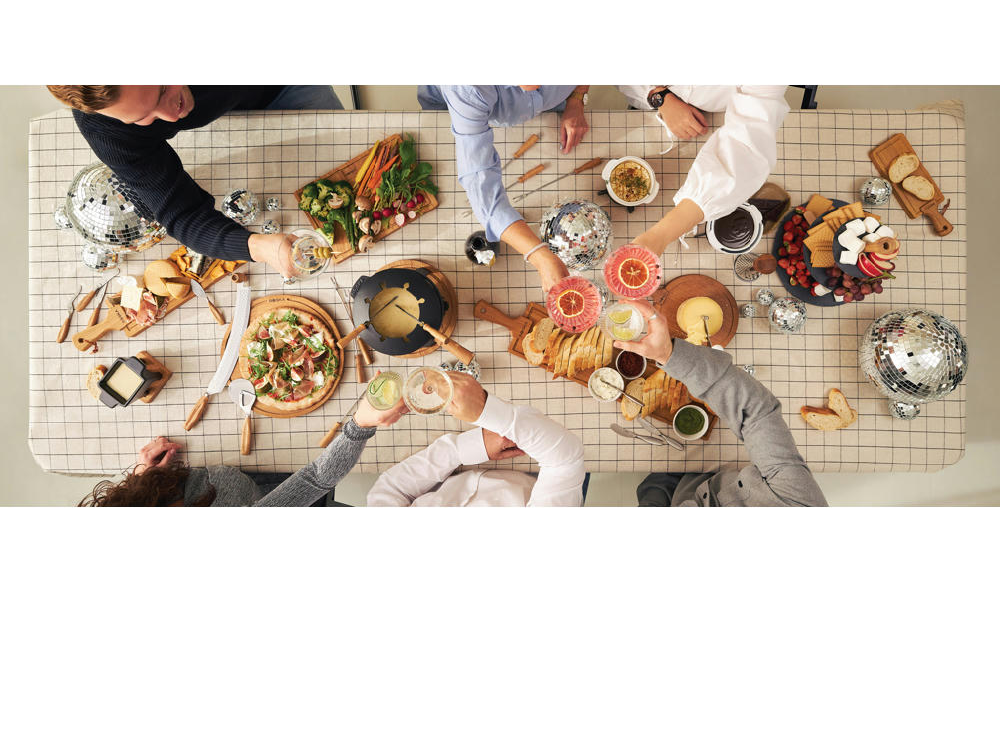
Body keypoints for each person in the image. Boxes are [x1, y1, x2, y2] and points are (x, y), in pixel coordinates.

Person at [47, 85, 344, 278]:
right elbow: (181, 214)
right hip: (232, 112)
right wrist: (259, 247)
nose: (170, 115)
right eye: (141, 118)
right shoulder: (102, 127)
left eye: (163, 89)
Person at [613, 297, 827, 507]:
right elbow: (757, 413)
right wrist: (669, 354)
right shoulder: (800, 503)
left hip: (671, 498)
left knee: (653, 489)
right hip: (707, 479)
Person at [79, 392, 407, 507]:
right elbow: (316, 478)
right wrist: (360, 424)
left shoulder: (138, 501)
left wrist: (143, 478)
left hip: (249, 481)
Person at [417, 85, 591, 293]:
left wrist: (577, 98)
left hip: (548, 109)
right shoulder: (464, 86)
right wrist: (538, 255)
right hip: (466, 113)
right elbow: (482, 187)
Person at [616, 85, 790, 256]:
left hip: (717, 114)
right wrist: (658, 96)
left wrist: (659, 236)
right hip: (645, 101)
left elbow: (748, 141)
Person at [367, 372, 585, 506]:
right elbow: (565, 461)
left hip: (471, 452)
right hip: (533, 466)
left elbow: (390, 489)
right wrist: (485, 409)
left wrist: (469, 447)